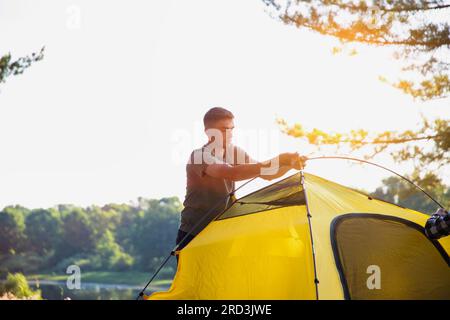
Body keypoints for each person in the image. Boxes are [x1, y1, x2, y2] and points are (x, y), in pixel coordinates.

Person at [175, 107, 306, 257]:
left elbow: (267, 174)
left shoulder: (235, 151)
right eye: (224, 130)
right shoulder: (199, 156)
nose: (229, 134)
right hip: (194, 232)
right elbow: (232, 173)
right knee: (194, 280)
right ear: (208, 132)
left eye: (232, 129)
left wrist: (290, 165)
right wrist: (278, 159)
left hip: (222, 231)